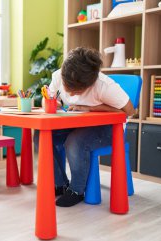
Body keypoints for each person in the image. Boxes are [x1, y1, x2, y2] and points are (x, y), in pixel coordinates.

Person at [34, 47, 135, 207]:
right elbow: (48, 99)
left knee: (75, 141)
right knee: (43, 135)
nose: (70, 94)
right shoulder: (58, 76)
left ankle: (77, 190)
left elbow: (130, 111)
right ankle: (60, 184)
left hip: (108, 128)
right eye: (67, 87)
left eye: (76, 91)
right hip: (77, 123)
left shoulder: (104, 86)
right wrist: (54, 103)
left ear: (90, 83)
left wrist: (92, 107)